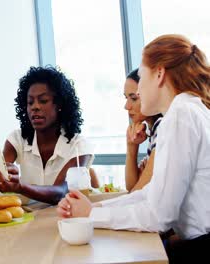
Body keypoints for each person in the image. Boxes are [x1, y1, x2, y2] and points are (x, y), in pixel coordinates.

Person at [57, 34, 210, 262]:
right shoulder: (188, 110)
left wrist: (92, 214)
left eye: (141, 75)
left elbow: (159, 216)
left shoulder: (180, 115)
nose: (138, 89)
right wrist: (91, 208)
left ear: (159, 73)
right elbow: (151, 194)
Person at [0, 66, 96, 205]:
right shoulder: (17, 139)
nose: (35, 107)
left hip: (68, 217)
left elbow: (61, 192)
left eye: (43, 101)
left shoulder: (79, 145)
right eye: (30, 102)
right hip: (32, 219)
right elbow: (4, 174)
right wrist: (2, 177)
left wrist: (20, 187)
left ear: (59, 105)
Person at [123, 69, 162, 192]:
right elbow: (131, 186)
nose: (126, 106)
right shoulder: (154, 131)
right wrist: (131, 146)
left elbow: (137, 193)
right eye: (126, 98)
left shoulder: (163, 127)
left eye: (134, 98)